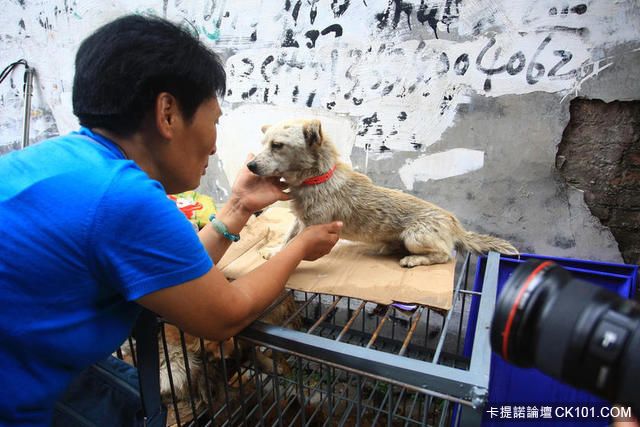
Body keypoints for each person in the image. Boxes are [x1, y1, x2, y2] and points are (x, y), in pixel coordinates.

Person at [0, 14, 343, 426]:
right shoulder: (122, 197)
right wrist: (300, 246)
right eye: (214, 121)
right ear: (167, 114)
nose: (215, 147)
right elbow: (224, 315)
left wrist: (237, 207)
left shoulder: (64, 162)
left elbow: (171, 273)